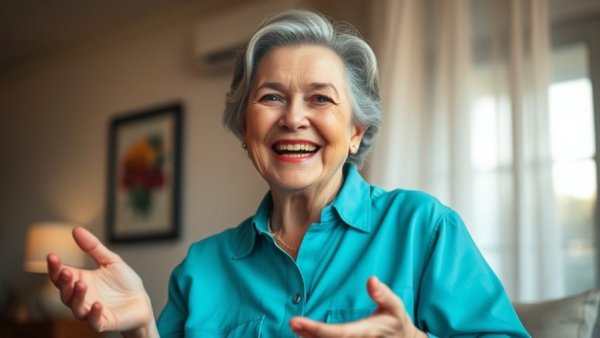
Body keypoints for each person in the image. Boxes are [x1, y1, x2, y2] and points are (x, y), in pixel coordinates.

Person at [46, 9, 530, 338]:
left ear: (356, 132)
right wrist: (141, 330)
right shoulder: (201, 268)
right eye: (271, 97)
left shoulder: (423, 228)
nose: (293, 118)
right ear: (244, 129)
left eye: (320, 98)